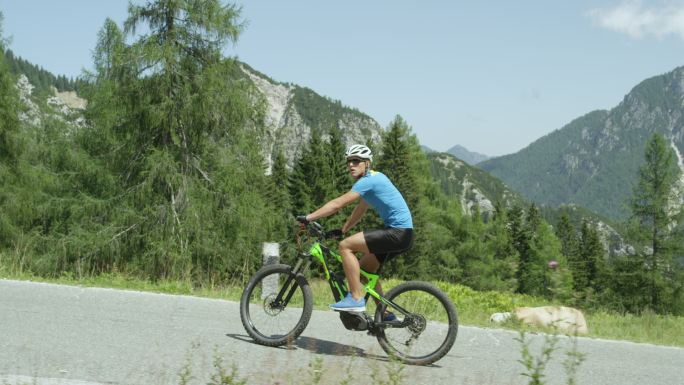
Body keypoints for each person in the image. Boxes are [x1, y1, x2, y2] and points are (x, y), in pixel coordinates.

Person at [297, 144, 413, 314]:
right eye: (349, 161)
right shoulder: (373, 180)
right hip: (403, 235)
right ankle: (386, 314)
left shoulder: (369, 181)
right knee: (364, 273)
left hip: (397, 233)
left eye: (356, 161)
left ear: (367, 163)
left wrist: (308, 218)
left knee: (345, 246)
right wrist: (343, 230)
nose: (351, 165)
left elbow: (337, 204)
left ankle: (356, 298)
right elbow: (361, 208)